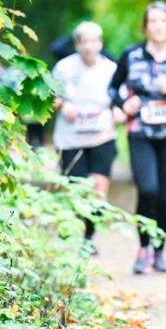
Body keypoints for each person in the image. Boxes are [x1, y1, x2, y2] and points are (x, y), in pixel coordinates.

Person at [109, 2, 166, 275]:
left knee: (164, 196)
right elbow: (113, 88)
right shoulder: (131, 54)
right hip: (140, 134)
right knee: (147, 190)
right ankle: (143, 249)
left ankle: (159, 252)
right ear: (145, 26)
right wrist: (125, 104)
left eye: (163, 21)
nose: (158, 26)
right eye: (153, 21)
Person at [52, 21, 124, 252]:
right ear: (77, 44)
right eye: (85, 42)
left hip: (102, 135)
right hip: (70, 137)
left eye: (94, 41)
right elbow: (51, 97)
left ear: (100, 43)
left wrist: (118, 112)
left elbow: (120, 100)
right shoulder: (63, 68)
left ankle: (88, 240)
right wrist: (63, 106)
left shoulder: (111, 69)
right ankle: (71, 235)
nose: (89, 47)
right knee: (76, 188)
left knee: (98, 190)